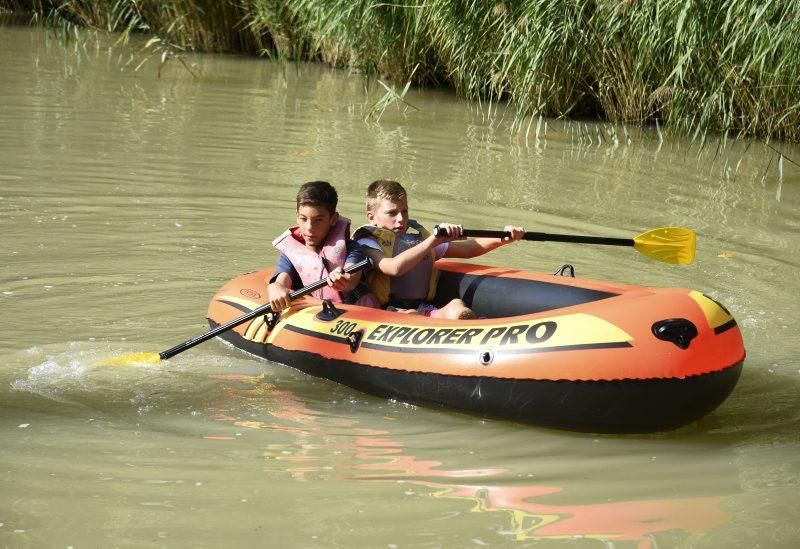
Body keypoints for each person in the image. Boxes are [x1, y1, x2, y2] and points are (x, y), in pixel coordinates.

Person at [354, 179, 523, 319]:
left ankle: (474, 331)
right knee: (414, 315)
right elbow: (392, 267)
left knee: (457, 306)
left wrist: (502, 238)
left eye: (404, 211)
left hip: (423, 308)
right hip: (385, 313)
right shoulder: (367, 242)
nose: (401, 219)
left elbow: (468, 249)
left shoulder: (418, 239)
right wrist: (433, 241)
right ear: (371, 218)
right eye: (392, 213)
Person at [267, 181, 375, 311]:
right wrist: (274, 287)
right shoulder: (291, 253)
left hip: (353, 314)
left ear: (333, 219)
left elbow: (352, 278)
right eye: (303, 219)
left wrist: (343, 279)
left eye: (318, 220)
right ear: (297, 216)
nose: (309, 228)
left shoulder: (353, 248)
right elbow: (282, 282)